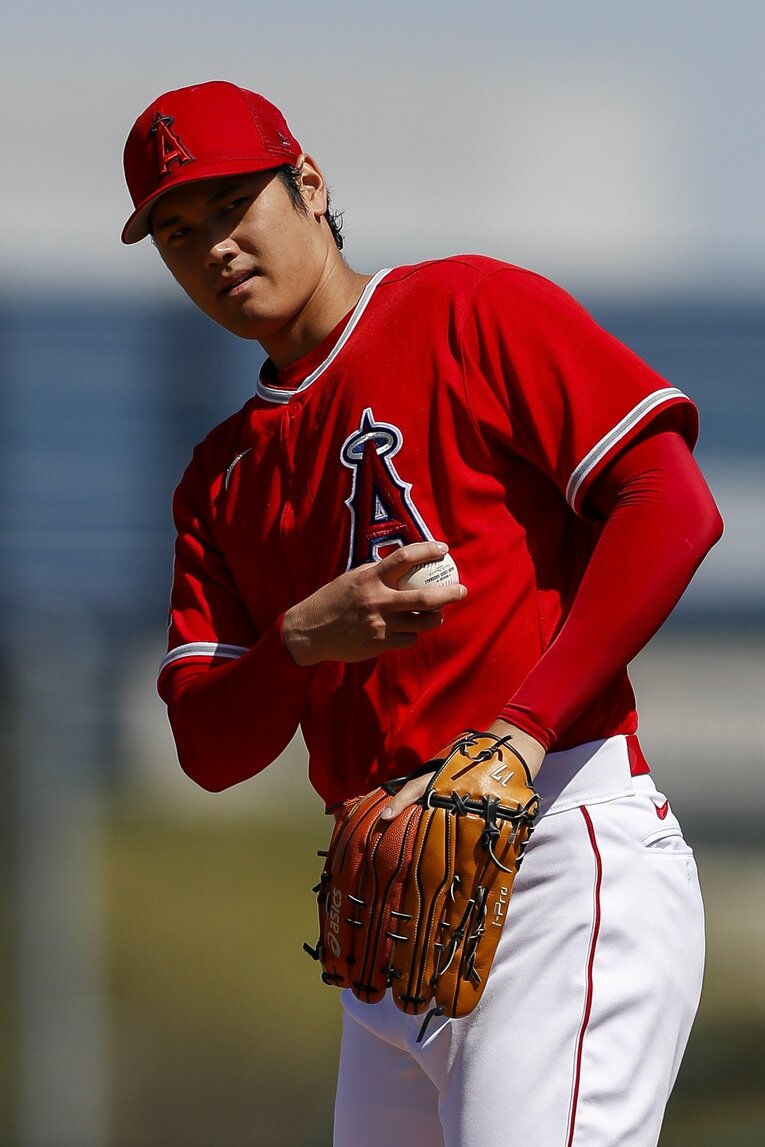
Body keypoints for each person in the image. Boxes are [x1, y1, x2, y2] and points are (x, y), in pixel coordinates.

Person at [121, 80, 723, 1147]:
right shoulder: (220, 478)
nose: (211, 246)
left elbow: (671, 503)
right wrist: (302, 640)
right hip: (397, 924)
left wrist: (523, 730)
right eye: (177, 231)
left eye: (229, 206)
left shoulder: (470, 309)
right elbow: (209, 746)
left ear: (307, 183)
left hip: (558, 860)